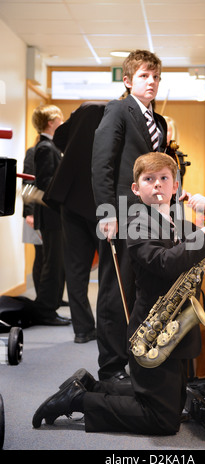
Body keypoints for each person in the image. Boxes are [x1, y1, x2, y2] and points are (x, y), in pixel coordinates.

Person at [32, 152, 205, 435]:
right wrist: (204, 236)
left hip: (173, 331)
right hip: (153, 330)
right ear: (136, 189)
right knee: (162, 421)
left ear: (176, 186)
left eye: (164, 178)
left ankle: (92, 385)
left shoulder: (180, 224)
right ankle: (80, 399)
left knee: (172, 405)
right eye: (149, 179)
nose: (158, 185)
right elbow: (164, 262)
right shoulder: (137, 224)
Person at [91, 50, 168, 383]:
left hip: (150, 217)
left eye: (155, 77)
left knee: (140, 290)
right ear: (128, 80)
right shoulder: (118, 110)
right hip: (120, 214)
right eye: (144, 76)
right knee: (114, 290)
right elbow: (102, 164)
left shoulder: (160, 121)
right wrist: (107, 213)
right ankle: (110, 367)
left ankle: (136, 358)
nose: (151, 82)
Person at [43, 101, 106, 343]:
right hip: (102, 205)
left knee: (76, 269)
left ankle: (82, 330)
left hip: (70, 201)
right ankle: (108, 328)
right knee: (108, 272)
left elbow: (59, 138)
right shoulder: (112, 117)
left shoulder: (80, 113)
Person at [31, 104, 70, 327]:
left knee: (57, 264)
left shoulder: (51, 146)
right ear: (50, 121)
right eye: (60, 118)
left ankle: (51, 306)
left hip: (55, 216)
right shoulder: (46, 148)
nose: (62, 121)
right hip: (52, 216)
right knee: (52, 265)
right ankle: (46, 311)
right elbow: (45, 184)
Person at [22, 140, 43, 294]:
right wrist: (29, 213)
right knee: (41, 255)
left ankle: (50, 297)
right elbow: (27, 182)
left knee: (49, 257)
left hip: (47, 214)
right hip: (34, 213)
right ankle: (40, 296)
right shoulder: (33, 152)